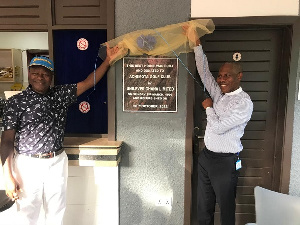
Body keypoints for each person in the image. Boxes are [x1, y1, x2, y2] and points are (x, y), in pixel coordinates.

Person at [0, 44, 119, 225]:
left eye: (46, 73)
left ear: (51, 77)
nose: (40, 77)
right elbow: (7, 141)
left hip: (56, 162)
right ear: (29, 73)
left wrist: (108, 60)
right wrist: (8, 177)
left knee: (56, 212)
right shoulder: (16, 102)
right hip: (27, 164)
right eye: (36, 72)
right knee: (26, 215)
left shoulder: (60, 95)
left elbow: (89, 82)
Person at [185, 28, 253, 225]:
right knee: (203, 206)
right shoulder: (218, 93)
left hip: (226, 162)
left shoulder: (243, 103)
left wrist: (208, 108)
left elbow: (220, 127)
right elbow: (204, 73)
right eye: (221, 75)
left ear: (239, 76)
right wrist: (196, 44)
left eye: (227, 76)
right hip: (207, 157)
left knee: (226, 208)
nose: (221, 79)